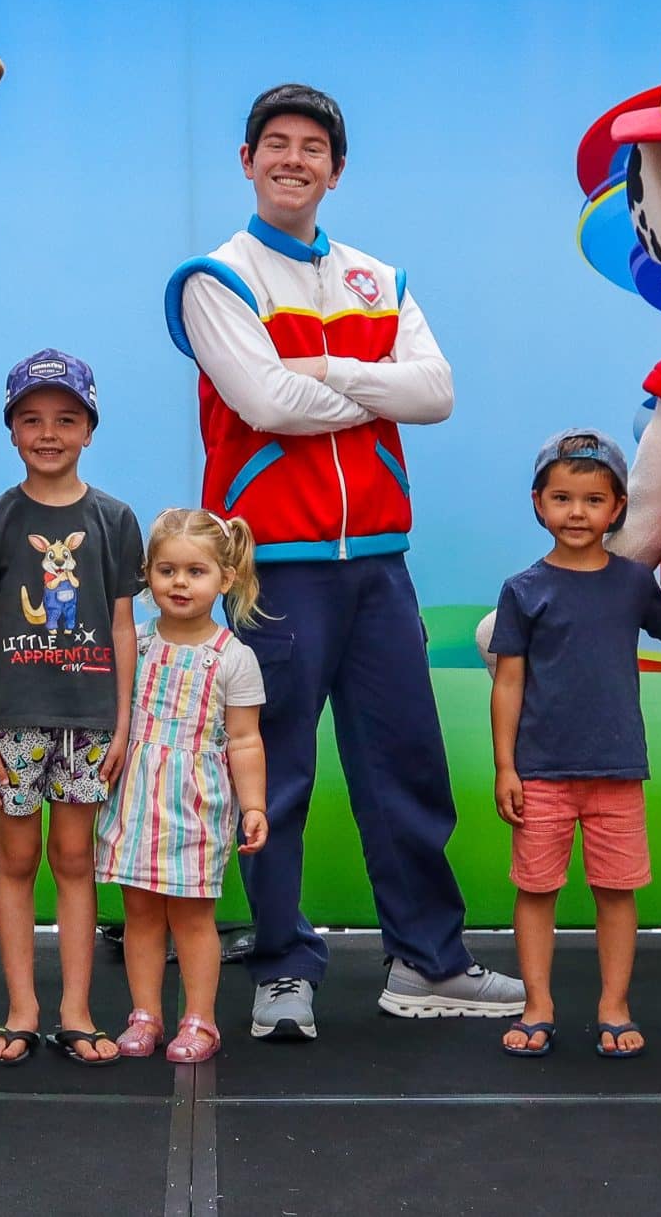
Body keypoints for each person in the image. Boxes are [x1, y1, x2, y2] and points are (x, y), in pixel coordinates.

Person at [163, 83, 524, 1040]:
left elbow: (436, 392)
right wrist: (373, 391)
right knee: (273, 775)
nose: (294, 159)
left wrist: (327, 372)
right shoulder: (214, 278)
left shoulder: (379, 280)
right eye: (276, 144)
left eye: (312, 147)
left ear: (336, 169)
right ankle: (283, 968)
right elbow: (264, 402)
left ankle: (427, 960)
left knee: (406, 765)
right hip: (273, 568)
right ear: (247, 162)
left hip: (379, 566)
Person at [0, 350, 143, 1067]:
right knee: (17, 856)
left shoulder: (115, 520)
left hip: (90, 722)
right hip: (14, 721)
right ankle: (22, 1010)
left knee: (73, 857)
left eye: (65, 419)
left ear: (89, 428)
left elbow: (122, 627)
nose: (49, 433)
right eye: (31, 420)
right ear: (11, 431)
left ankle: (76, 1011)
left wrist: (121, 724)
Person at [486, 431, 661, 1059]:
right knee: (536, 889)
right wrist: (506, 767)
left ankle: (613, 1006)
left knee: (616, 891)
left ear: (618, 508)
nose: (576, 513)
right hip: (540, 773)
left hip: (617, 773)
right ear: (538, 503)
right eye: (562, 498)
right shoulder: (523, 589)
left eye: (593, 500)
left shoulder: (634, 584)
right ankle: (537, 1004)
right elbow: (508, 683)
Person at [95, 508, 271, 1063]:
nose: (179, 583)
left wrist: (254, 805)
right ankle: (145, 1015)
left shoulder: (234, 657)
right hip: (134, 800)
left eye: (196, 572)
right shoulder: (136, 644)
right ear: (147, 574)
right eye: (167, 570)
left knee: (193, 918)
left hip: (197, 806)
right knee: (141, 913)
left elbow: (245, 740)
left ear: (226, 578)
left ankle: (201, 1020)